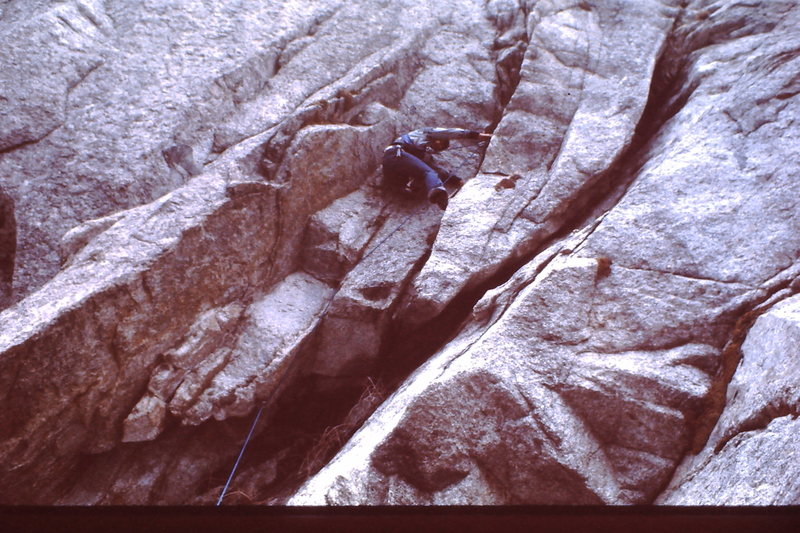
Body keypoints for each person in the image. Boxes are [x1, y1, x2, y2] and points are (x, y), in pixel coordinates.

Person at [382, 127, 491, 210]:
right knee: (428, 173)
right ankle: (439, 196)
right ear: (438, 140)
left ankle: (403, 189)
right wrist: (478, 136)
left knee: (426, 176)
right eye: (438, 146)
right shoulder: (426, 133)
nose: (435, 149)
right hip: (397, 153)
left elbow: (438, 170)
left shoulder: (422, 155)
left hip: (392, 165)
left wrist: (457, 181)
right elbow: (451, 132)